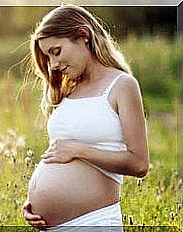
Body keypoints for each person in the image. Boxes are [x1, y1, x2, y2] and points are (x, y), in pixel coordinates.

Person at [21, 5, 149, 231]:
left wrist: (78, 150)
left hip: (93, 222)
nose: (53, 65)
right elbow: (59, 154)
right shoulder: (68, 90)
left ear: (83, 36)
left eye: (56, 51)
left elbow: (139, 164)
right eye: (47, 56)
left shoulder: (122, 85)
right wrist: (34, 204)